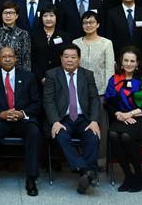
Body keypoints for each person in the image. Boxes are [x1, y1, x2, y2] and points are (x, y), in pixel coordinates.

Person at [0, 47, 42, 196]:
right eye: (4, 56)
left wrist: (22, 114)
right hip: (1, 121)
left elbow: (37, 102)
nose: (7, 59)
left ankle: (31, 178)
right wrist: (0, 114)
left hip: (23, 120)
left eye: (10, 56)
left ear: (15, 58)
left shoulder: (29, 77)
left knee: (34, 132)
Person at [43, 43, 100, 194]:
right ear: (61, 58)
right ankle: (87, 171)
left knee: (93, 136)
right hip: (63, 119)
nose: (69, 60)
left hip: (83, 118)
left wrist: (94, 120)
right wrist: (55, 121)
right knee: (61, 136)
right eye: (66, 57)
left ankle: (85, 174)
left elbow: (94, 99)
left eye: (73, 57)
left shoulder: (87, 75)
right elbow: (48, 101)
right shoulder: (52, 75)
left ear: (79, 59)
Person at [106, 46, 142, 192]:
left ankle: (139, 175)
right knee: (112, 134)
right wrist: (118, 114)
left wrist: (130, 114)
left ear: (137, 63)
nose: (128, 64)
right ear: (121, 62)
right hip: (122, 117)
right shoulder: (115, 79)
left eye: (132, 61)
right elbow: (109, 102)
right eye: (126, 60)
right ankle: (128, 176)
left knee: (126, 135)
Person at [74, 11, 115, 166]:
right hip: (79, 91)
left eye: (91, 22)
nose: (88, 25)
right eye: (85, 22)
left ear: (98, 24)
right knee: (81, 125)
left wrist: (106, 92)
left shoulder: (107, 43)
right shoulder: (76, 43)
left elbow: (109, 70)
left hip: (100, 92)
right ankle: (82, 160)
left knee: (100, 126)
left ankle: (101, 160)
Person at [0, 1, 32, 76]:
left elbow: (26, 59)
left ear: (16, 16)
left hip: (18, 74)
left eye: (11, 13)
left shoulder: (23, 34)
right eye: (5, 13)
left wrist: (26, 77)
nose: (8, 16)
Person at [30, 6, 71, 83]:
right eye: (45, 16)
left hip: (60, 78)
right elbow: (31, 59)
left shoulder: (64, 36)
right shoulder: (34, 35)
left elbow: (67, 57)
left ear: (56, 17)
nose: (48, 19)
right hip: (38, 79)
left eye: (51, 15)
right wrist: (41, 77)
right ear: (41, 18)